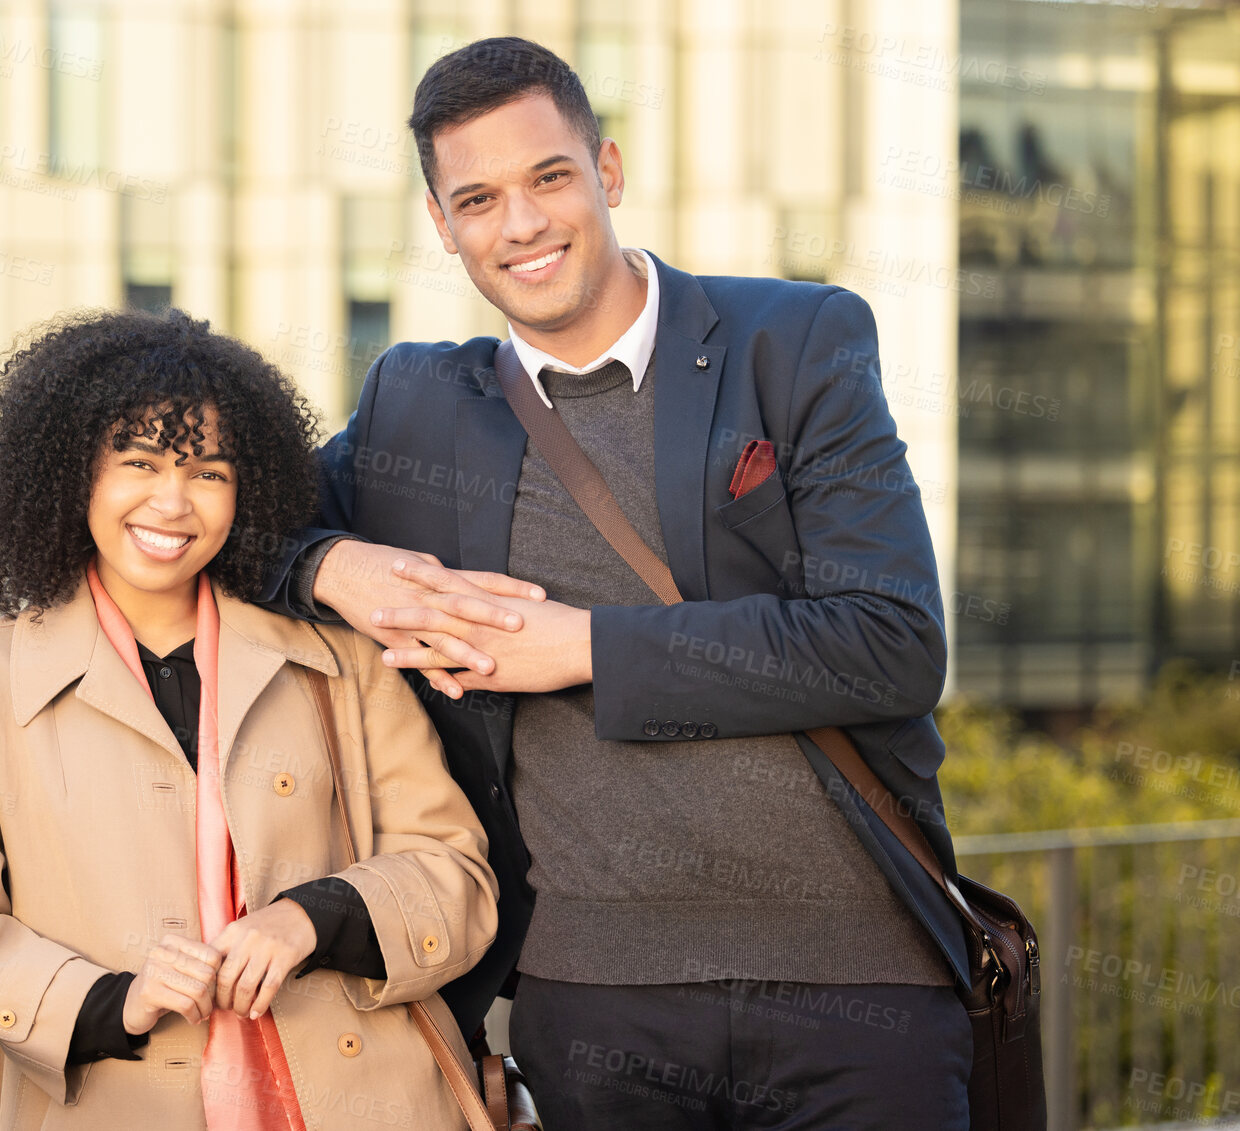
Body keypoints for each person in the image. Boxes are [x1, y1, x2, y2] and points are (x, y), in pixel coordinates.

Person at [260, 36, 974, 1130]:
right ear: (443, 228)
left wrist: (586, 649)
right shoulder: (417, 404)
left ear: (609, 170)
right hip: (594, 1000)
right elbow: (217, 526)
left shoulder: (791, 343)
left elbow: (891, 642)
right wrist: (331, 563)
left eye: (549, 177)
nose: (524, 224)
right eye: (479, 199)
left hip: (858, 988)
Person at [0, 307, 499, 1130]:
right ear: (73, 475)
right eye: (138, 463)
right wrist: (110, 1000)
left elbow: (457, 877)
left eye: (208, 472)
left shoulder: (338, 656)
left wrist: (313, 916)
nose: (173, 502)